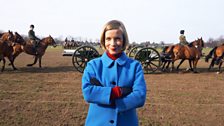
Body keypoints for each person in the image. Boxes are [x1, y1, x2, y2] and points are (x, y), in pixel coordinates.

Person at [82, 20, 147, 126]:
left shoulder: (135, 66)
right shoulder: (93, 65)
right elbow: (88, 92)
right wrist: (117, 92)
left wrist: (104, 95)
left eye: (117, 39)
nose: (112, 43)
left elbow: (140, 96)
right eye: (108, 39)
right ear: (103, 40)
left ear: (124, 40)